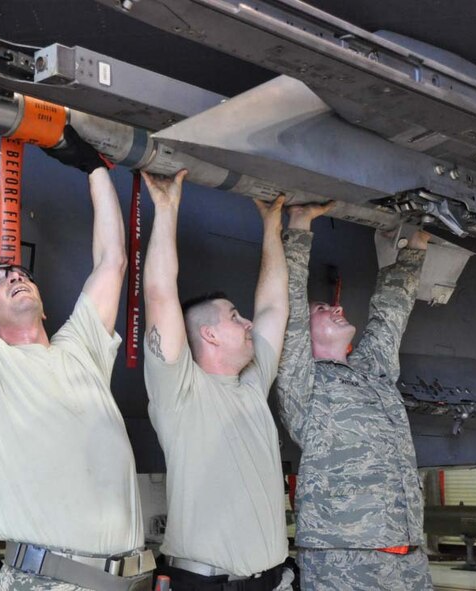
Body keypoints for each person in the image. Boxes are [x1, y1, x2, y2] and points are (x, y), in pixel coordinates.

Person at [0, 64, 154, 591]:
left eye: (18, 271)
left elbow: (112, 262)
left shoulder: (78, 351)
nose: (14, 275)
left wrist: (93, 169)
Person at [141, 170, 294, 591]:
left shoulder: (251, 384)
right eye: (233, 317)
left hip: (269, 582)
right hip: (207, 585)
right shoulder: (179, 391)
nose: (247, 323)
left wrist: (271, 225)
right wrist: (167, 208)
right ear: (208, 334)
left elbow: (273, 308)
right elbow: (159, 293)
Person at [277, 203, 433, 590]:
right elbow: (289, 304)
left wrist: (419, 243)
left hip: (407, 555)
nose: (337, 307)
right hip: (344, 561)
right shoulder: (303, 383)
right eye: (322, 307)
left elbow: (390, 314)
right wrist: (299, 225)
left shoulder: (371, 371)